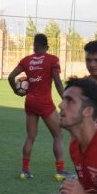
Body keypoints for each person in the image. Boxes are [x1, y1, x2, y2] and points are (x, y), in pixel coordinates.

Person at [7, 33, 70, 180]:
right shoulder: (52, 60)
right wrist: (66, 102)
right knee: (58, 135)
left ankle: (25, 171)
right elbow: (58, 83)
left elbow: (11, 77)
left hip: (30, 101)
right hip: (45, 102)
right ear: (46, 46)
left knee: (30, 136)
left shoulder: (26, 60)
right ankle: (60, 172)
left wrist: (16, 91)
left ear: (34, 46)